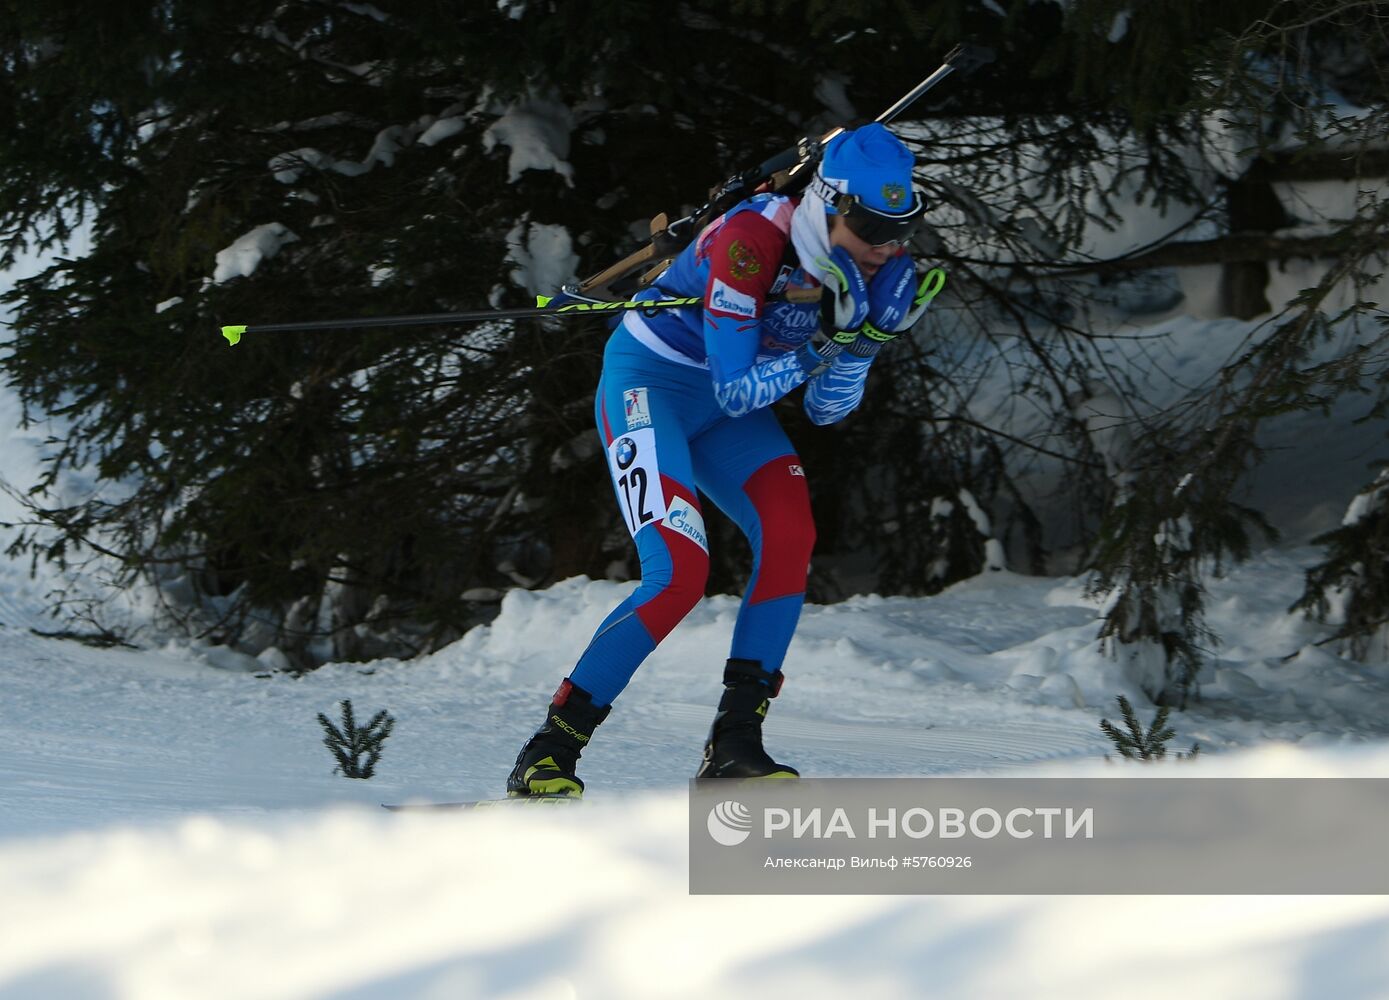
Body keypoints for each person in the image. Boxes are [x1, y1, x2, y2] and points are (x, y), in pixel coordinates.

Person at [507, 122, 942, 797]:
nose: (886, 245)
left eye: (900, 226)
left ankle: (736, 743)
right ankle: (551, 748)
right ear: (827, 205)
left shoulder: (866, 263)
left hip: (725, 411)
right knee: (678, 571)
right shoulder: (750, 243)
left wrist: (865, 340)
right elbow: (740, 384)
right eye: (870, 225)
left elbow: (827, 411)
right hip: (652, 385)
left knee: (791, 533)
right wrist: (827, 340)